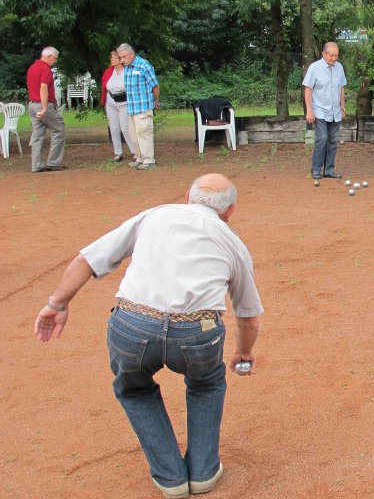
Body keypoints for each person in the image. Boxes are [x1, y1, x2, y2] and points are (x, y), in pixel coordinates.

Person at [34, 173, 262, 499]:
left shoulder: (154, 215)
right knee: (207, 384)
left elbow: (88, 259)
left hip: (132, 325)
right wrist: (243, 351)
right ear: (230, 211)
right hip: (198, 332)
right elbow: (248, 316)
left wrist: (57, 303)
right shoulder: (233, 242)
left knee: (135, 389)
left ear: (188, 196)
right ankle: (203, 473)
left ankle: (170, 477)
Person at [303, 42, 347, 179]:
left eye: (336, 55)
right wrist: (309, 110)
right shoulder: (314, 68)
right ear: (324, 54)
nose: (334, 58)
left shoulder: (339, 67)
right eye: (331, 55)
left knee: (333, 140)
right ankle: (316, 169)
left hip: (335, 111)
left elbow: (341, 88)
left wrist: (342, 107)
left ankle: (329, 170)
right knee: (322, 138)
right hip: (320, 110)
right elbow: (308, 89)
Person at [117, 43, 160, 170]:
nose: (122, 60)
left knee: (144, 132)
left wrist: (156, 101)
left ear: (131, 54)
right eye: (120, 57)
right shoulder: (127, 68)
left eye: (124, 57)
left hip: (143, 106)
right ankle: (140, 158)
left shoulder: (143, 65)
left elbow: (155, 85)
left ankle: (149, 160)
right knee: (134, 134)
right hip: (132, 108)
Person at [26, 46, 66, 173]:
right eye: (55, 59)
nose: (55, 61)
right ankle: (53, 162)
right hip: (43, 104)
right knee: (59, 129)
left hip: (32, 104)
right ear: (49, 57)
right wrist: (44, 107)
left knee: (37, 135)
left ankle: (36, 165)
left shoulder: (32, 67)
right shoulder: (45, 69)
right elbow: (43, 87)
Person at [100, 50, 137, 162]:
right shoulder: (108, 72)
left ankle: (135, 151)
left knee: (125, 128)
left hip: (124, 102)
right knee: (114, 128)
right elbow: (104, 87)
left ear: (121, 59)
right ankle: (118, 153)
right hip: (111, 102)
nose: (112, 59)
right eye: (111, 57)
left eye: (114, 57)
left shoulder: (127, 71)